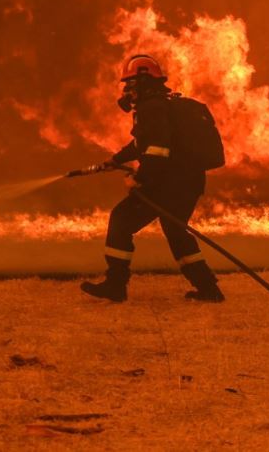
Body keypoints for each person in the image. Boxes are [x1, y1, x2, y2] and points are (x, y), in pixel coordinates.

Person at [80, 54, 225, 303]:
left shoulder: (151, 108)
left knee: (122, 220)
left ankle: (116, 284)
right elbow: (142, 143)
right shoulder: (164, 105)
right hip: (188, 182)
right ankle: (208, 288)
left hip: (168, 183)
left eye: (130, 84)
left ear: (144, 81)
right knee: (176, 231)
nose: (127, 91)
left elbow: (157, 151)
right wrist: (116, 160)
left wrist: (140, 179)